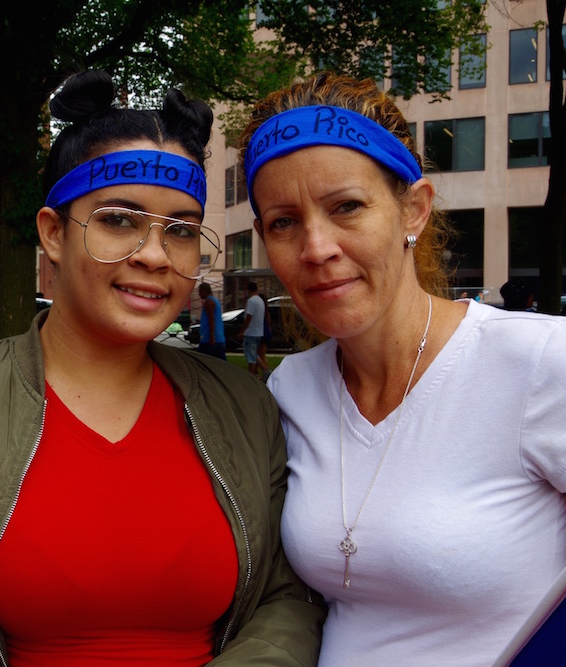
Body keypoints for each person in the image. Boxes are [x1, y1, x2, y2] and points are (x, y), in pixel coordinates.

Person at [0, 68, 324, 666]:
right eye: (119, 219)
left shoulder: (246, 405)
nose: (152, 254)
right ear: (52, 234)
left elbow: (288, 598)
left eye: (181, 231)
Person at [240, 71, 566, 665]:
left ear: (413, 210)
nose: (316, 248)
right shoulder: (291, 389)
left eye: (347, 207)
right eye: (284, 222)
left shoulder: (540, 362)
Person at [237, 281, 265, 378]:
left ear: (248, 290)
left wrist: (242, 331)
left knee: (251, 356)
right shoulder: (260, 301)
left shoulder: (251, 301)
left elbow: (249, 316)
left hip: (251, 332)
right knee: (254, 354)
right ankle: (261, 372)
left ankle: (254, 374)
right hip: (259, 331)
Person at [196, 282, 226, 360]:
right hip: (217, 337)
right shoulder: (215, 300)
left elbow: (211, 318)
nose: (199, 294)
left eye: (199, 291)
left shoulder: (208, 302)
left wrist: (211, 336)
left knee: (204, 361)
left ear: (204, 291)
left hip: (208, 338)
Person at [256, 293, 273, 380]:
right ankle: (264, 373)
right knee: (262, 354)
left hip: (261, 332)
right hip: (266, 331)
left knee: (257, 354)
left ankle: (265, 371)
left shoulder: (260, 310)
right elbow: (269, 323)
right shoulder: (266, 311)